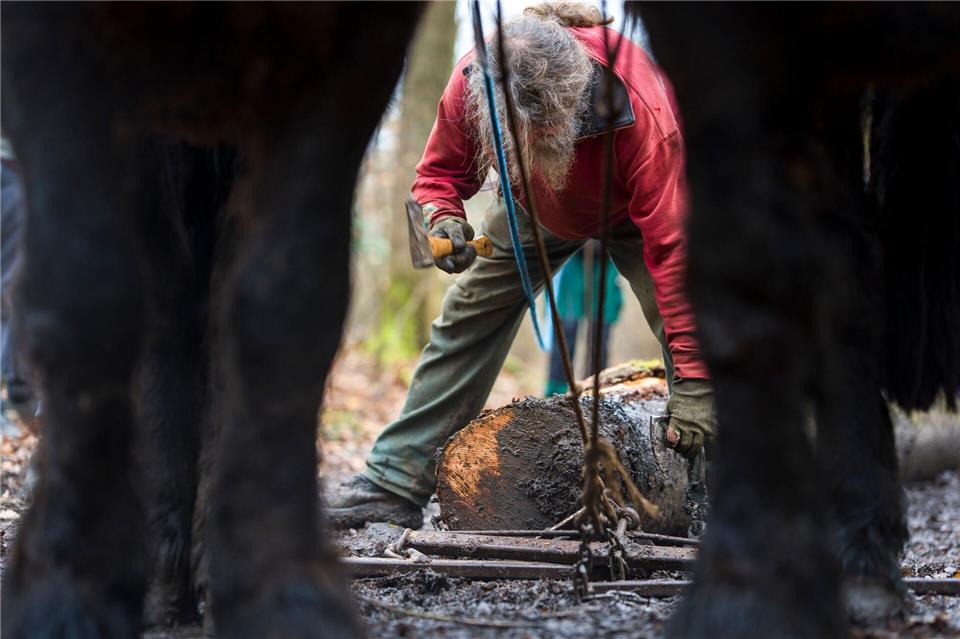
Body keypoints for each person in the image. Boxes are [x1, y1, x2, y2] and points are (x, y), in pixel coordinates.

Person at [329, 4, 715, 529]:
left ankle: (717, 496)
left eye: (546, 128)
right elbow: (436, 174)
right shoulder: (475, 80)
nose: (533, 138)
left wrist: (694, 379)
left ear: (571, 104)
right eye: (518, 132)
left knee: (687, 328)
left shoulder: (638, 103)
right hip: (529, 206)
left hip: (633, 211)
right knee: (465, 315)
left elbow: (675, 250)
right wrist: (442, 219)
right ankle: (394, 481)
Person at [544, 242, 623, 396]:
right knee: (566, 325)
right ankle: (556, 392)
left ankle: (594, 390)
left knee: (599, 329)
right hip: (570, 252)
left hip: (608, 255)